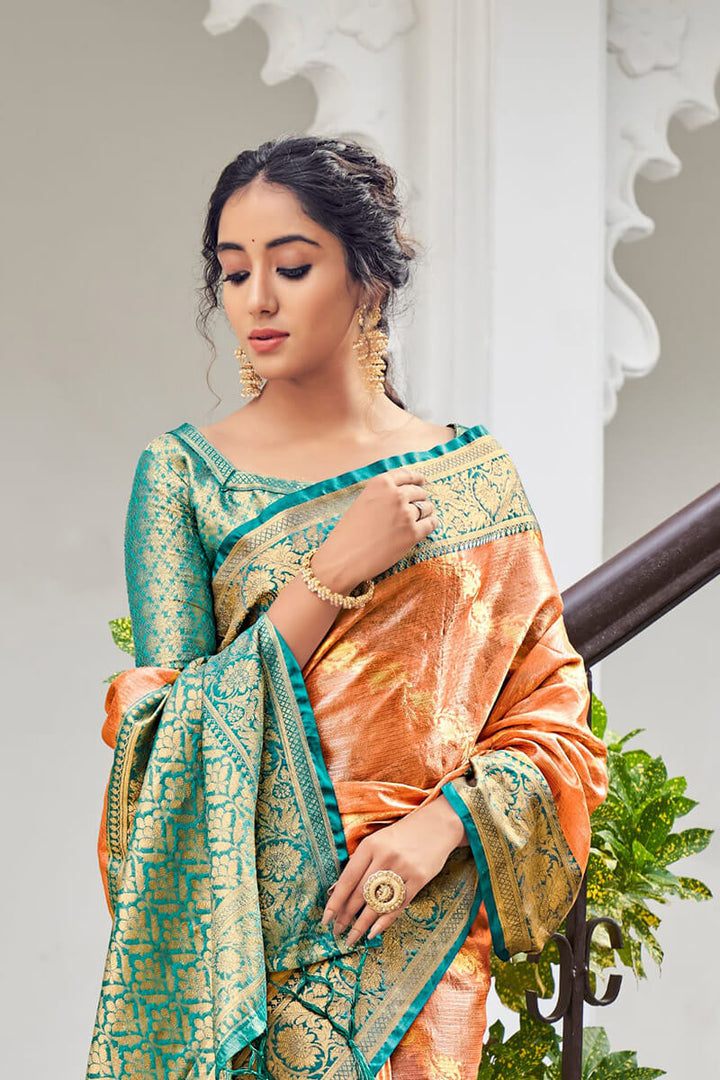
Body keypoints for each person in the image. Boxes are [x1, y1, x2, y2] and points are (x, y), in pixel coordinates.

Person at [86, 135, 608, 1080]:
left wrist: (441, 826)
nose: (257, 299)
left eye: (291, 267)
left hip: (422, 928)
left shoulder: (473, 476)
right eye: (233, 272)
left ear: (368, 278)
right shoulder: (184, 478)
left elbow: (553, 718)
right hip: (250, 953)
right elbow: (164, 739)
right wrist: (331, 572)